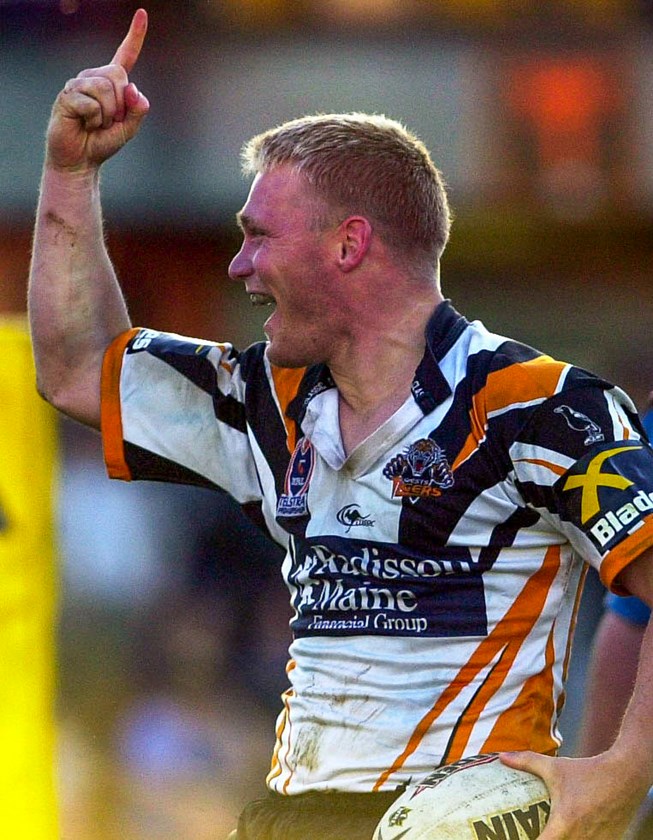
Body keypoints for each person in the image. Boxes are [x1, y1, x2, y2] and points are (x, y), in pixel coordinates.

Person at [28, 9, 653, 839]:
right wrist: (70, 174)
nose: (236, 266)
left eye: (256, 237)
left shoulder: (539, 404)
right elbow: (79, 369)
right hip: (290, 817)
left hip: (455, 818)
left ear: (349, 244)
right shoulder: (265, 398)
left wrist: (621, 776)